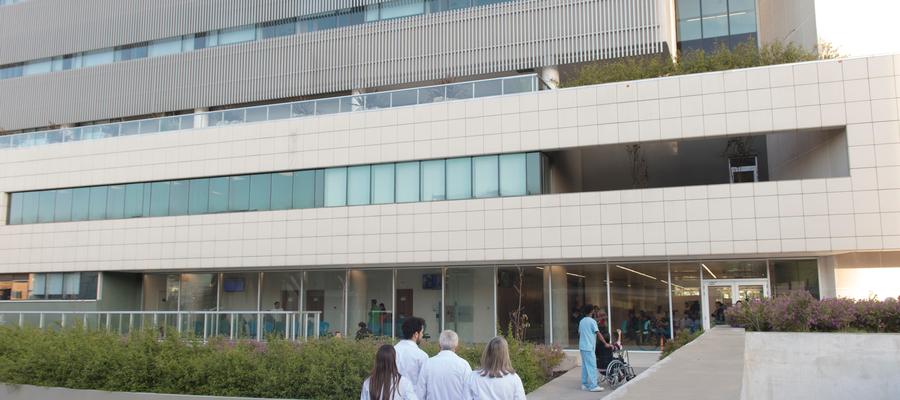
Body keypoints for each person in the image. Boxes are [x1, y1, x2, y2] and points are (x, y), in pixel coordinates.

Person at [416, 330, 472, 400]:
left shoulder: (428, 364)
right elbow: (469, 394)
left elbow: (420, 394)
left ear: (439, 345)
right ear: (457, 346)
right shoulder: (464, 365)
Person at [395, 316, 428, 396]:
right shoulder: (422, 355)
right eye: (422, 332)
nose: (422, 335)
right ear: (416, 334)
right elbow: (424, 383)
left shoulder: (393, 350)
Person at [578, 305, 605, 392]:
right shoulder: (592, 321)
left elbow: (579, 333)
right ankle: (594, 386)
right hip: (589, 347)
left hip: (582, 347)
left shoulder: (581, 321)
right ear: (591, 311)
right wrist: (606, 343)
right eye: (593, 310)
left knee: (585, 366)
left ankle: (584, 384)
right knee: (592, 366)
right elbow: (598, 333)